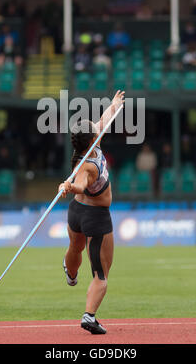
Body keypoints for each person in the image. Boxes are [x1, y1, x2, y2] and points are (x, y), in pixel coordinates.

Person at [58, 90, 125, 335]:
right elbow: (81, 185)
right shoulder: (86, 165)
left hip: (76, 211)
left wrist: (115, 105)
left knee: (75, 248)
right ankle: (89, 316)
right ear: (91, 139)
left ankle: (71, 272)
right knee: (101, 272)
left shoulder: (90, 144)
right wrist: (68, 186)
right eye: (94, 128)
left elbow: (104, 121)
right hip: (95, 217)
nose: (98, 128)